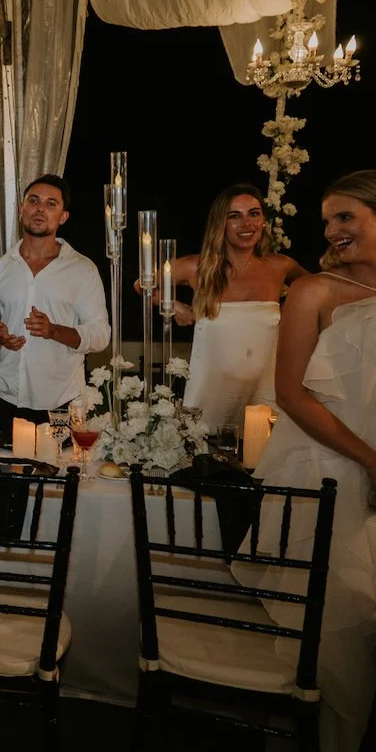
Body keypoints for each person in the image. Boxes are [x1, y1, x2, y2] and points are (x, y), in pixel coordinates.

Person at [232, 171, 376, 752]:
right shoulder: (314, 291)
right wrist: (370, 461)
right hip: (329, 469)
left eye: (346, 216)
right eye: (328, 221)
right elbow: (292, 394)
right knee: (334, 631)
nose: (333, 230)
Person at [139, 184, 306, 429]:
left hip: (263, 394)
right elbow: (141, 284)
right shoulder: (197, 267)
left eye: (254, 213)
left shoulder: (281, 266)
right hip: (209, 398)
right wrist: (173, 306)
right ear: (220, 223)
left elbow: (315, 291)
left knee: (261, 450)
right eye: (234, 216)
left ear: (263, 220)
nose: (247, 223)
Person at [0, 174, 110, 444]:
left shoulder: (82, 270)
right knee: (2, 470)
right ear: (21, 209)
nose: (40, 209)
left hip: (61, 403)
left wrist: (53, 330)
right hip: (5, 399)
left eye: (51, 204)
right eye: (33, 201)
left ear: (63, 217)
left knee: (61, 472)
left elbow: (101, 335)